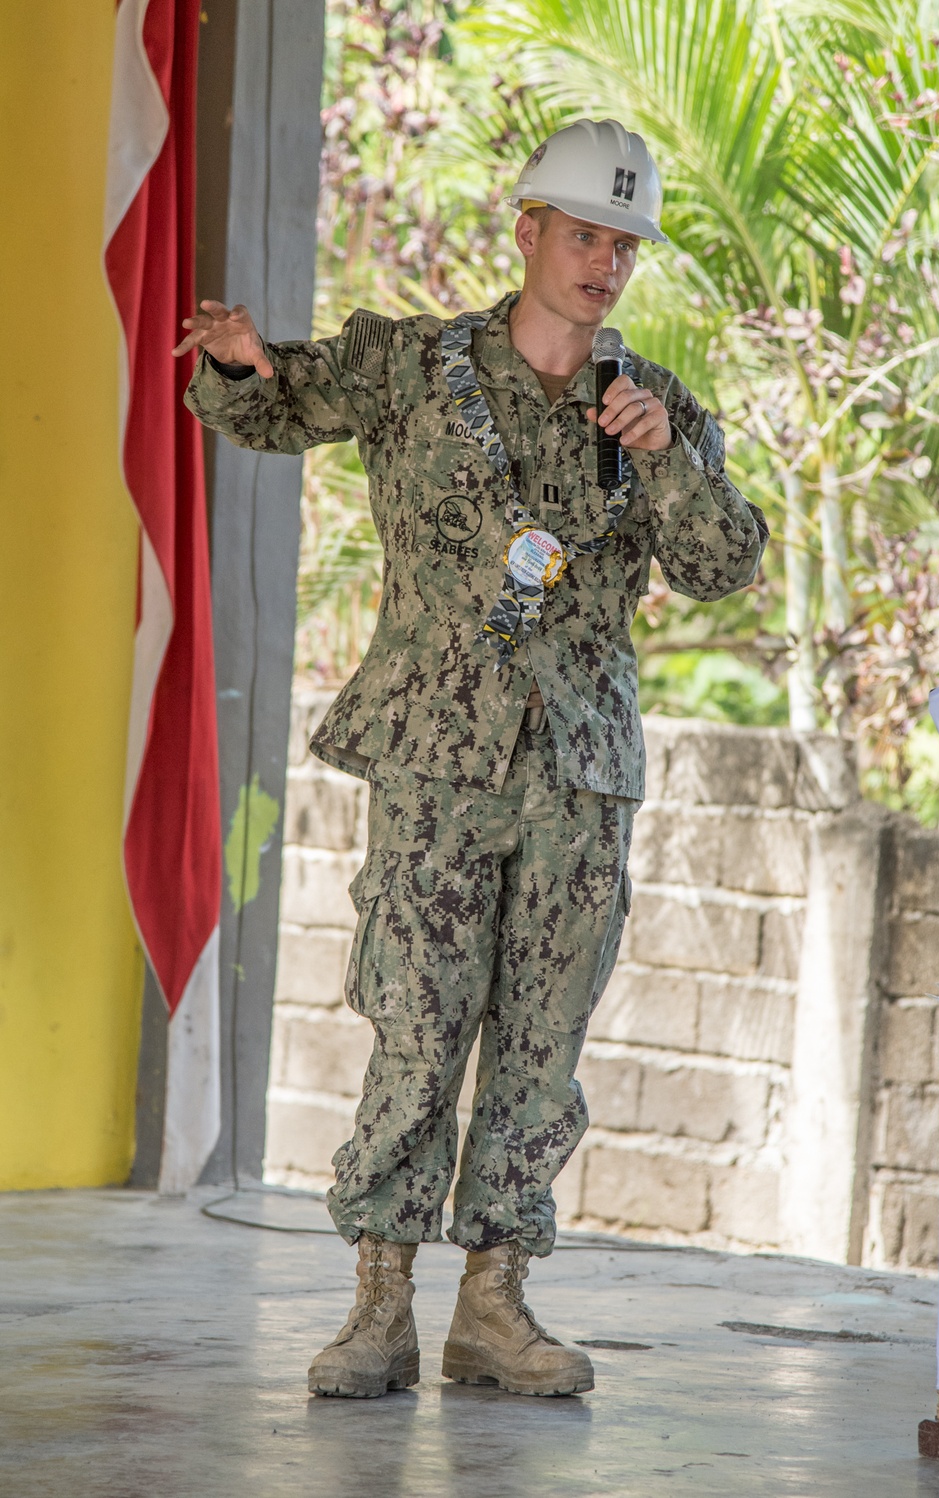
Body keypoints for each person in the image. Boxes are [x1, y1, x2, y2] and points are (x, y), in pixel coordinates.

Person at [176, 117, 768, 1401]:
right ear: (527, 231)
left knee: (540, 1045)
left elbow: (723, 566)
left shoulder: (656, 406)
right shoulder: (414, 366)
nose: (602, 263)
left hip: (579, 769)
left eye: (622, 243)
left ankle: (494, 1306)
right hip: (438, 759)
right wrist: (236, 359)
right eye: (581, 234)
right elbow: (274, 403)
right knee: (417, 1025)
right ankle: (378, 1303)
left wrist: (664, 459)